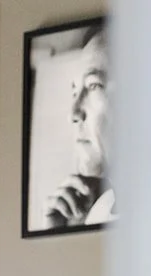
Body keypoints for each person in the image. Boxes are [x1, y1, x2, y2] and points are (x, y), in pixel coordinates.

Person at [44, 26, 114, 231]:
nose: (73, 113)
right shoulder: (97, 210)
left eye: (93, 86)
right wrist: (58, 235)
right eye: (75, 92)